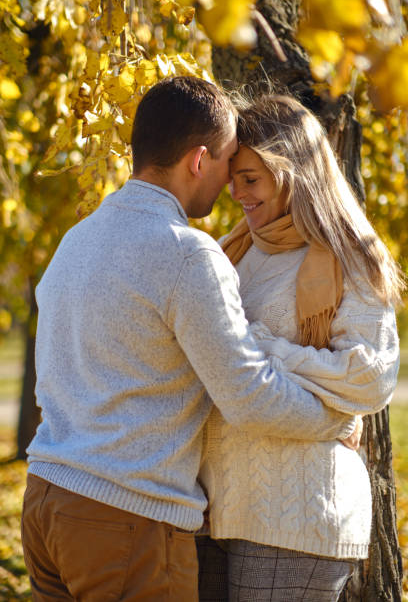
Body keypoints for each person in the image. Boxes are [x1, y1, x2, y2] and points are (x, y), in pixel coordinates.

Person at [21, 77, 359, 602]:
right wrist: (333, 417)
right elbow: (248, 394)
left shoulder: (78, 240)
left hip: (45, 503)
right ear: (199, 160)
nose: (231, 182)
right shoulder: (188, 254)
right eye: (228, 161)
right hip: (126, 518)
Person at [196, 93, 402, 602]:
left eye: (252, 179)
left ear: (294, 170)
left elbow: (369, 378)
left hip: (299, 512)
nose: (239, 195)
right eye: (234, 180)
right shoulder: (232, 252)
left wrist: (264, 349)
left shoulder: (350, 257)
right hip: (211, 505)